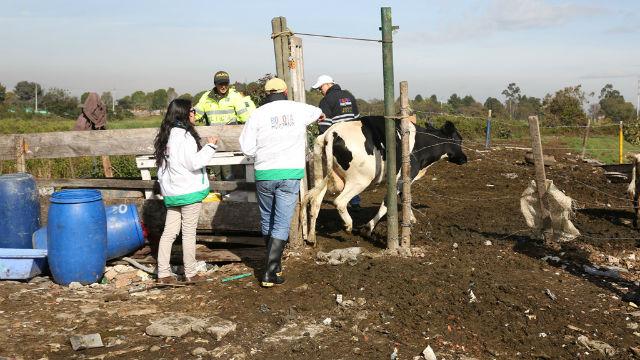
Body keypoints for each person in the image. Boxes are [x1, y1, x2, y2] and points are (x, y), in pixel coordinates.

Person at [239, 77, 323, 287]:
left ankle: (274, 265)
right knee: (282, 223)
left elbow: (247, 148)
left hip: (265, 174)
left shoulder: (257, 114)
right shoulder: (298, 109)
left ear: (266, 94)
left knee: (267, 219)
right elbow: (318, 113)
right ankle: (269, 271)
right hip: (289, 174)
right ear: (285, 92)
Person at [154, 99, 219, 284]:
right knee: (189, 233)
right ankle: (190, 273)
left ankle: (163, 274)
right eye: (192, 111)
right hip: (189, 191)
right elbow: (194, 163)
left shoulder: (165, 136)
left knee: (169, 232)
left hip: (172, 193)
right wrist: (211, 146)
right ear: (184, 113)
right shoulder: (185, 137)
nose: (195, 114)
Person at [193, 70, 256, 181]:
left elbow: (245, 118)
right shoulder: (206, 97)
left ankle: (230, 195)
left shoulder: (235, 96)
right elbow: (195, 115)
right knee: (216, 171)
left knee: (230, 172)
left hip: (229, 140)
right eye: (220, 84)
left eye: (225, 83)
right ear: (215, 84)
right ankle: (219, 194)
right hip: (213, 141)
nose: (223, 86)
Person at [312, 74, 362, 210]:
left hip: (338, 143)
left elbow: (324, 127)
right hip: (356, 142)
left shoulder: (326, 101)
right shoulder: (350, 96)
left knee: (339, 173)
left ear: (327, 85)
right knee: (354, 172)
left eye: (320, 88)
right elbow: (358, 120)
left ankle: (340, 197)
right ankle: (355, 200)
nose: (320, 91)